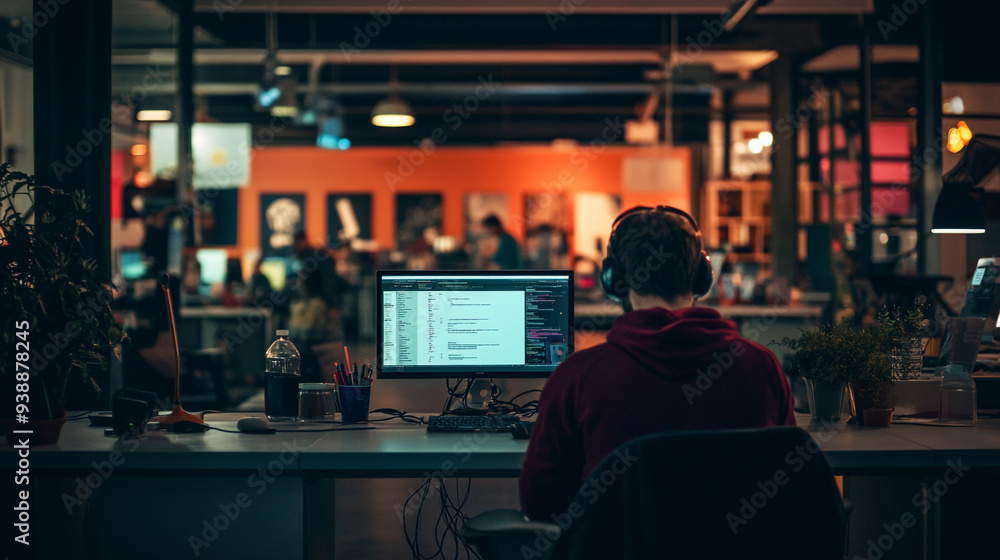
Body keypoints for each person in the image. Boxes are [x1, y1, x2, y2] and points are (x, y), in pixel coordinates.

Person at [518, 206, 796, 521]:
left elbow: (540, 502)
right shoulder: (762, 368)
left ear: (615, 279)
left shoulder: (577, 377)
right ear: (702, 277)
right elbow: (790, 489)